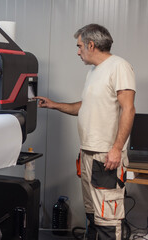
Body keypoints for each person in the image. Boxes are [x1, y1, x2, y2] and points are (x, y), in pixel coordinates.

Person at [35, 24, 136, 239]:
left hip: (106, 156)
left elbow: (129, 108)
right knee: (92, 215)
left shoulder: (119, 66)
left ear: (91, 45)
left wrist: (117, 149)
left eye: (80, 46)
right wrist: (54, 105)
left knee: (108, 218)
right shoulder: (94, 72)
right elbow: (85, 106)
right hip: (88, 154)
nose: (78, 51)